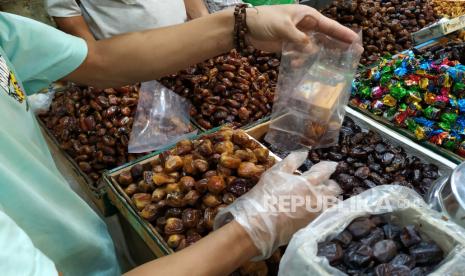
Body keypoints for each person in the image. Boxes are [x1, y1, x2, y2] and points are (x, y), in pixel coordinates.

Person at [0, 4, 358, 275]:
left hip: (85, 245)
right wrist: (251, 231)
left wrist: (240, 25)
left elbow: (97, 59)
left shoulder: (4, 32)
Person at [45, 0, 211, 40]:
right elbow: (66, 12)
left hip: (184, 48)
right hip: (125, 64)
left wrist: (206, 29)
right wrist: (97, 62)